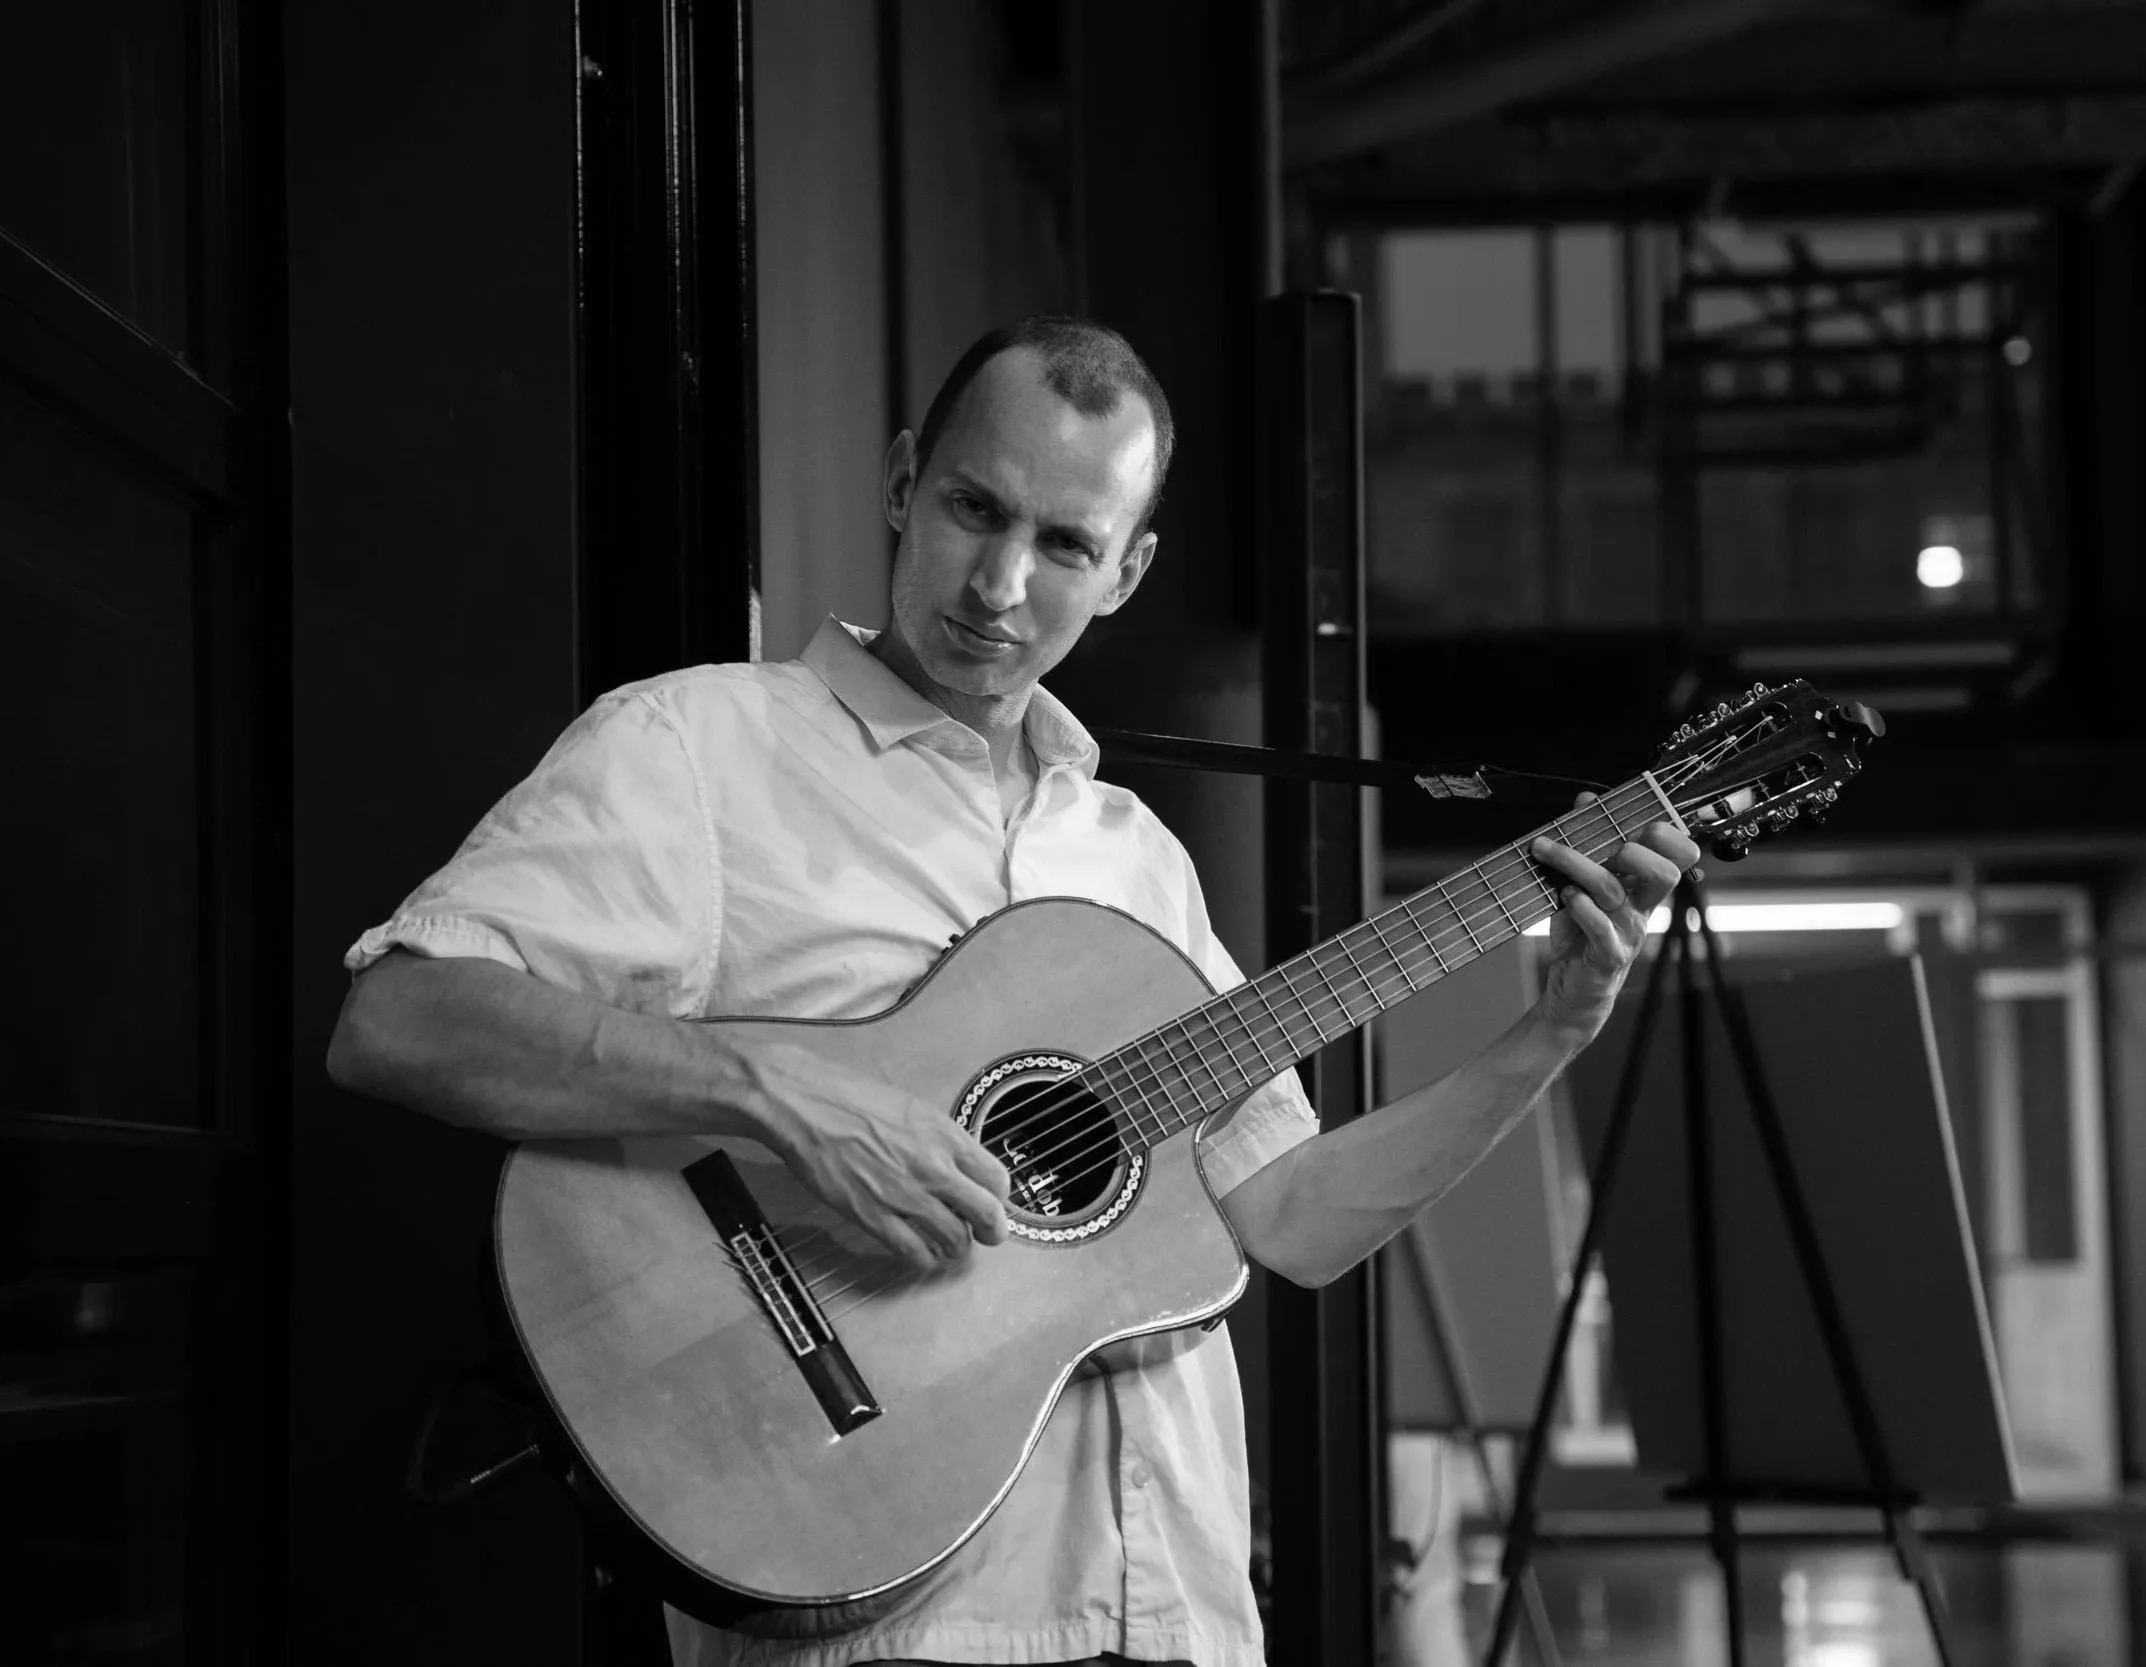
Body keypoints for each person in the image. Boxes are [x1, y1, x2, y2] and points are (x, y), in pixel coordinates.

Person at [327, 315, 1697, 1667]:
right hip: (892, 1614)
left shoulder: (1133, 859)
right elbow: (399, 1020)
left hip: (1178, 1617)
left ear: (1126, 572)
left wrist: (1546, 1033)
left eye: (1062, 546)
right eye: (974, 508)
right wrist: (779, 1095)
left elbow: (1288, 1218)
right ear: (900, 479)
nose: (996, 584)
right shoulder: (697, 748)